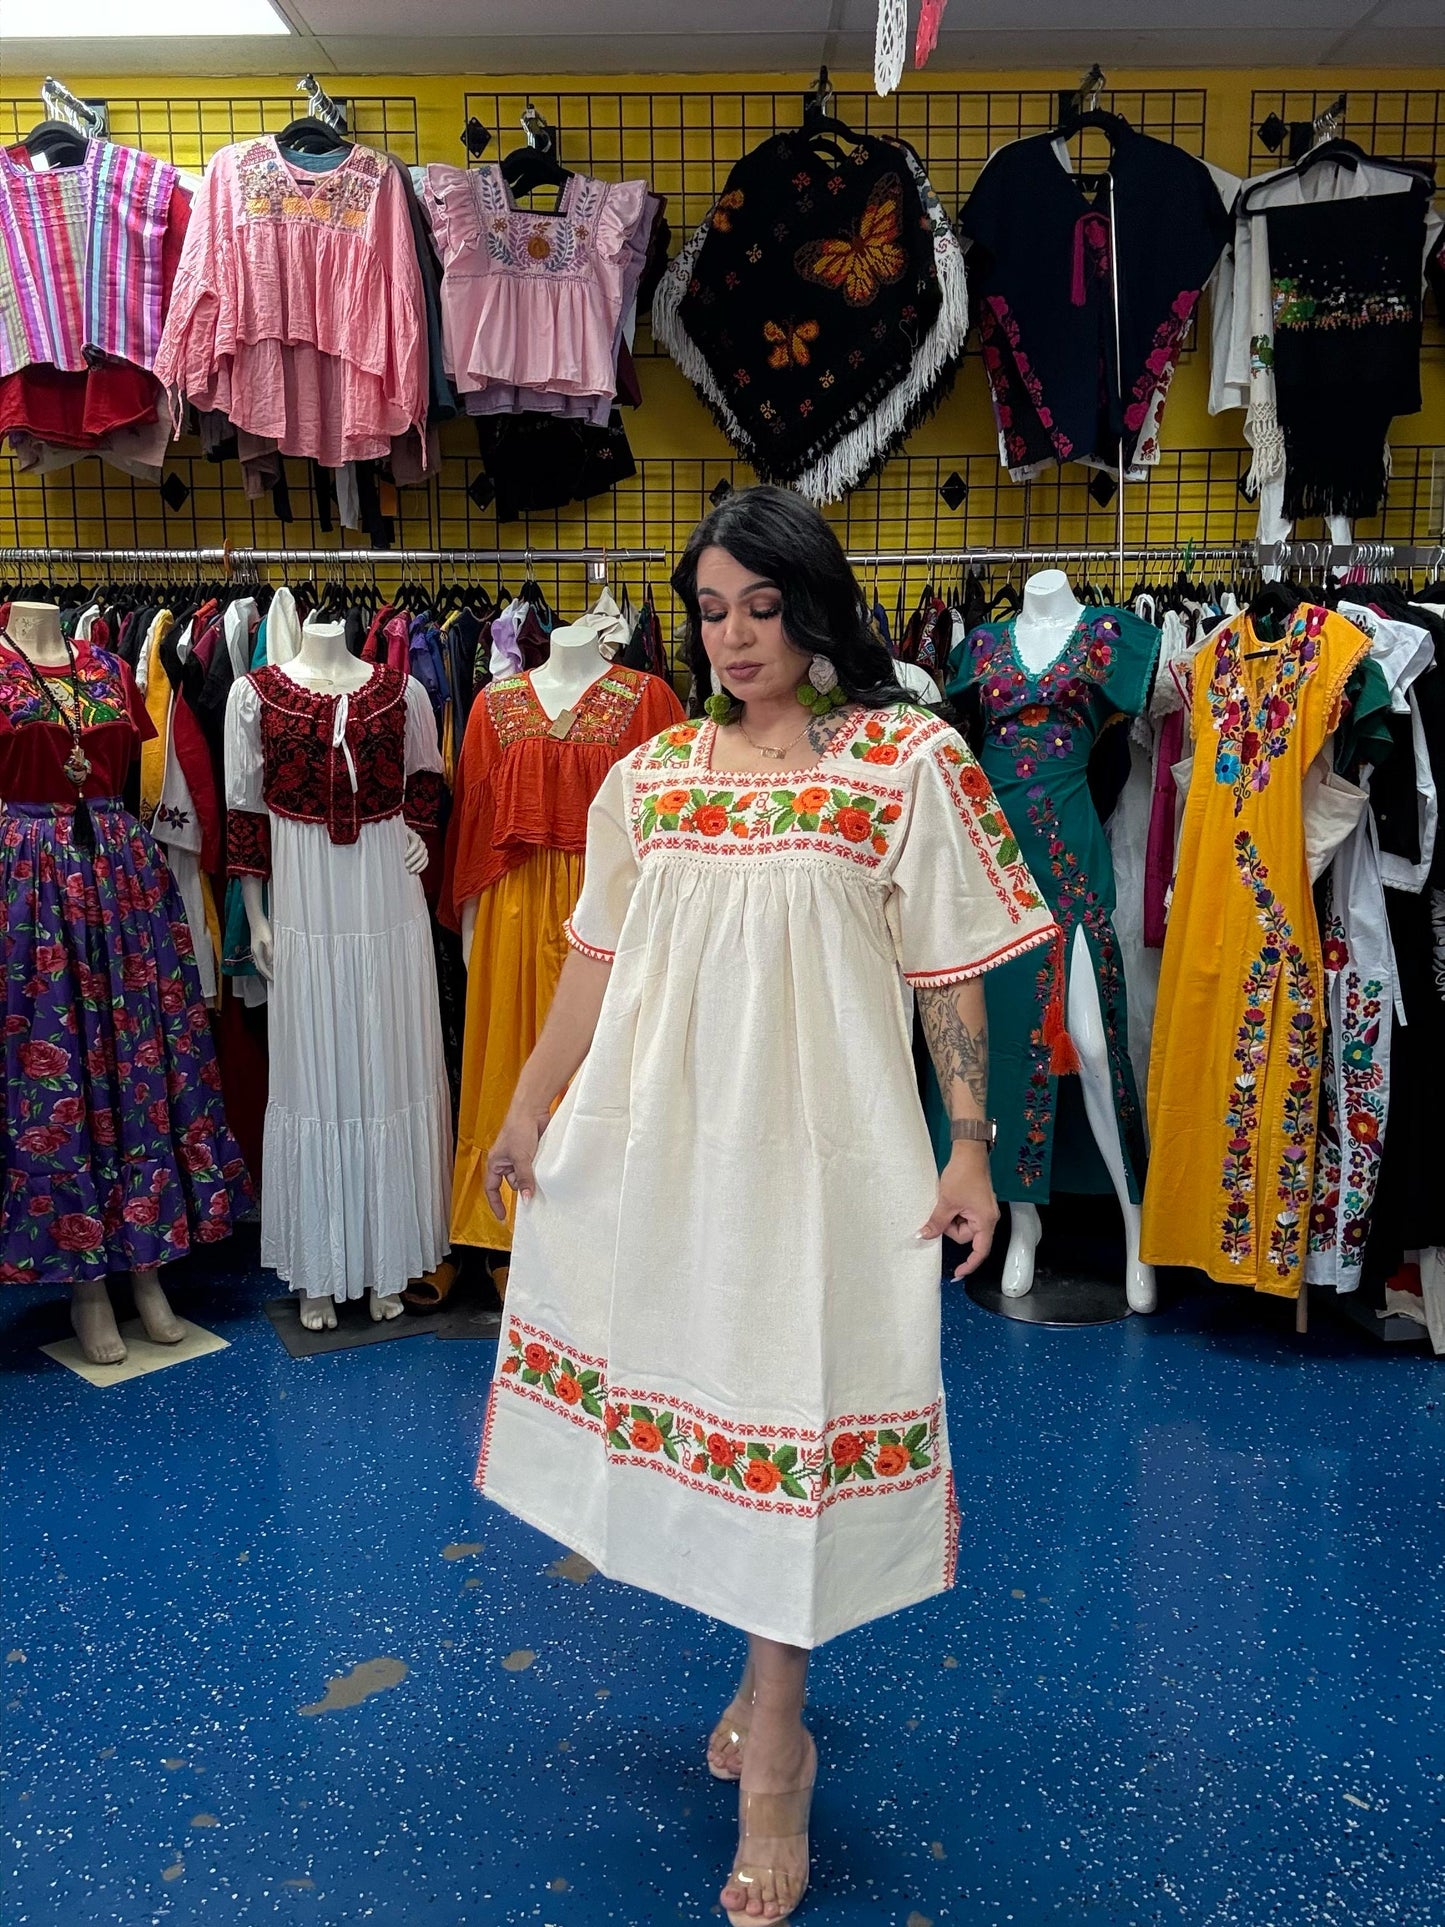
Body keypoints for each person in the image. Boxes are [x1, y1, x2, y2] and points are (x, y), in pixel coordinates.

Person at [480, 487, 1061, 1923]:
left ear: (815, 607)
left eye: (762, 607)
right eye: (714, 610)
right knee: (714, 1403)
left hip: (827, 1160)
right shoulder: (654, 772)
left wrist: (970, 1143)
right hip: (669, 1152)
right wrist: (528, 1100)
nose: (735, 637)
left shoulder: (905, 761)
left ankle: (779, 1757)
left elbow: (951, 969)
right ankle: (760, 1677)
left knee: (798, 1412)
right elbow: (595, 962)